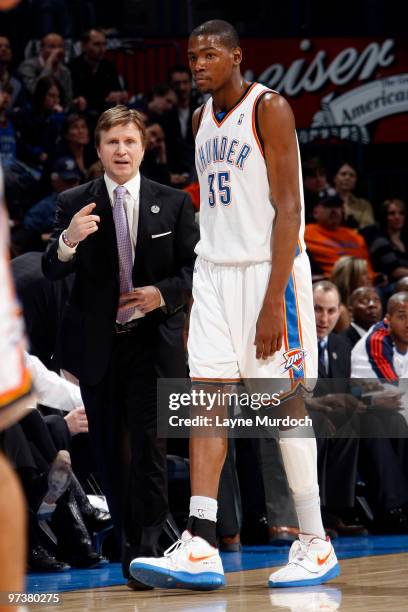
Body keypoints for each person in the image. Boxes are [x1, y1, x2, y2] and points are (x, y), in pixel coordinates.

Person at [130, 19, 339, 590]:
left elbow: (289, 208)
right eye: (192, 55)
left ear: (236, 56)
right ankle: (200, 542)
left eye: (209, 54)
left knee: (284, 407)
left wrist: (275, 299)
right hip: (215, 274)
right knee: (206, 403)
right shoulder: (198, 119)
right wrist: (204, 288)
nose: (197, 63)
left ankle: (316, 542)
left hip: (269, 273)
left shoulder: (269, 108)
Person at [42, 105, 198, 589]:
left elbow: (195, 272)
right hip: (99, 347)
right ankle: (133, 547)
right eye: (112, 142)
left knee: (151, 450)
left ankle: (147, 553)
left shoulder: (173, 202)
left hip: (153, 344)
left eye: (129, 141)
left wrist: (161, 294)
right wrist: (68, 240)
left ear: (143, 146)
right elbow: (52, 268)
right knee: (114, 453)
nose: (121, 150)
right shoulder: (74, 202)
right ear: (99, 149)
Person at [304, 193, 374, 279]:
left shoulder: (355, 236)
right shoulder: (305, 233)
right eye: (328, 206)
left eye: (337, 206)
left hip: (363, 282)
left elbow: (368, 268)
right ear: (315, 212)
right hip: (332, 282)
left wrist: (374, 278)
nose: (334, 210)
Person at [18, 32, 72, 108]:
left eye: (60, 47)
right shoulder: (27, 66)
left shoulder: (64, 71)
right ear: (41, 48)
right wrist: (49, 65)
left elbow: (67, 100)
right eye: (52, 47)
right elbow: (35, 91)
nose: (57, 51)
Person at [362, 199, 408, 282]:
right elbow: (395, 272)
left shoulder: (404, 240)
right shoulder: (380, 241)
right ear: (384, 217)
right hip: (389, 286)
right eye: (392, 213)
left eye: (401, 213)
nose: (397, 217)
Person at [329, 256, 372, 332]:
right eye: (364, 274)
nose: (369, 277)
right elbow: (349, 343)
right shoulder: (341, 311)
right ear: (351, 279)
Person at [332, 161, 374, 229]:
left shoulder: (364, 205)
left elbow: (368, 227)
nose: (347, 178)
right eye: (343, 174)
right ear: (334, 178)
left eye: (352, 175)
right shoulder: (325, 202)